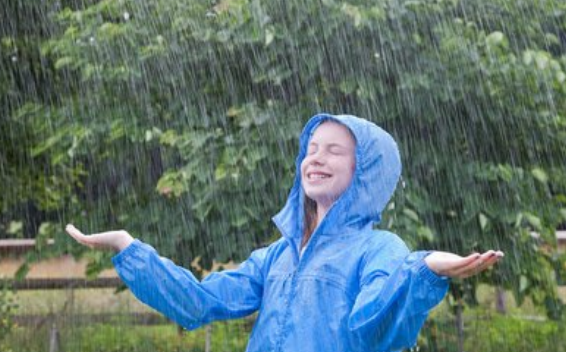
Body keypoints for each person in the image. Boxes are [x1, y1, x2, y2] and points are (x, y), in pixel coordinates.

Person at [66, 113, 503, 352]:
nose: (315, 158)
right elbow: (200, 302)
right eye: (311, 149)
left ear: (364, 170)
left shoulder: (380, 249)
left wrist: (423, 270)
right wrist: (129, 248)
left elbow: (375, 326)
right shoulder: (277, 256)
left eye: (334, 150)